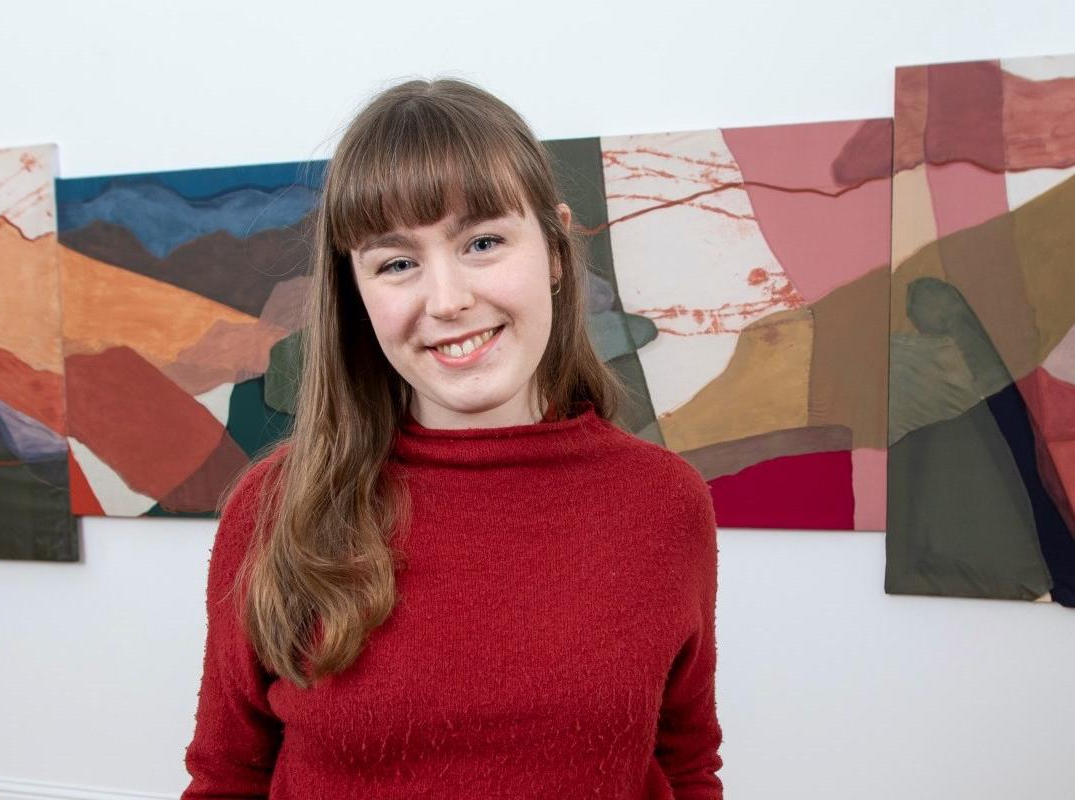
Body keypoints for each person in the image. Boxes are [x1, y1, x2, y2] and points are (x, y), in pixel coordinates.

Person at [182, 77, 723, 799]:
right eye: (397, 263)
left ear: (556, 249)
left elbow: (686, 767)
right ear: (356, 288)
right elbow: (226, 781)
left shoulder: (663, 503)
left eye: (483, 241)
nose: (447, 301)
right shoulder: (275, 506)